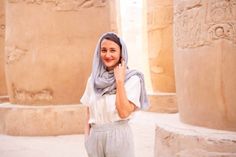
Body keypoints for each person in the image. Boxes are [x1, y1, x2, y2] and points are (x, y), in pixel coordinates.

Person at [80, 32, 149, 157]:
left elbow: (123, 112)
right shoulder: (93, 80)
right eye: (104, 50)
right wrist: (87, 141)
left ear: (121, 53)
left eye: (113, 50)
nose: (107, 55)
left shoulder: (132, 79)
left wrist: (120, 81)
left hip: (118, 136)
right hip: (95, 137)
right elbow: (88, 113)